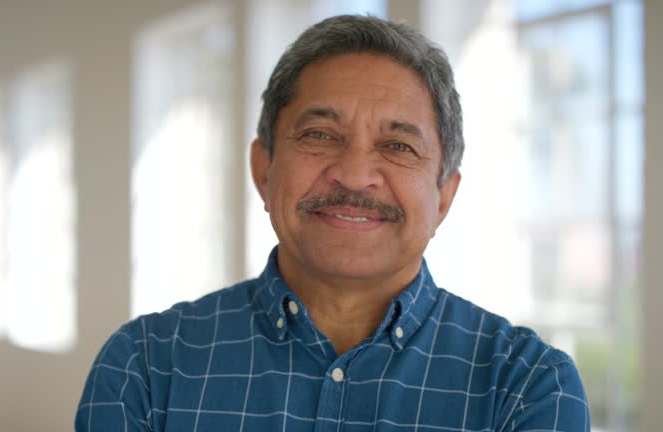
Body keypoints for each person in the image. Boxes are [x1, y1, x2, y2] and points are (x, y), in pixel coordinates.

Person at [75, 15, 589, 431]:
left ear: (443, 198)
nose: (355, 174)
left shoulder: (526, 388)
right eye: (320, 135)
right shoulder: (143, 368)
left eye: (398, 146)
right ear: (263, 169)